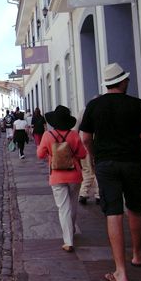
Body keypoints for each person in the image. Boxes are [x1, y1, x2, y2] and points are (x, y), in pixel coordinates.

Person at [80, 62, 141, 281]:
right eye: (126, 79)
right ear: (122, 82)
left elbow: (85, 138)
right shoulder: (136, 105)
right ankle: (137, 255)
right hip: (132, 163)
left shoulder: (94, 106)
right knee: (136, 208)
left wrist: (95, 156)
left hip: (106, 165)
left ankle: (120, 272)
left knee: (113, 212)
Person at [37, 105, 87, 252]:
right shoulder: (74, 135)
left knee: (63, 207)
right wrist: (70, 155)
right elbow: (83, 154)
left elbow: (40, 155)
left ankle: (68, 240)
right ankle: (70, 231)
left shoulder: (47, 136)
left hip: (57, 175)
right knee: (72, 205)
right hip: (74, 175)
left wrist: (52, 153)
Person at [76, 108, 100, 205]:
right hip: (96, 144)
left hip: (84, 145)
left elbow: (75, 129)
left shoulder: (83, 111)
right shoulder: (102, 109)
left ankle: (83, 193)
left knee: (86, 170)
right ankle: (99, 194)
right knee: (97, 169)